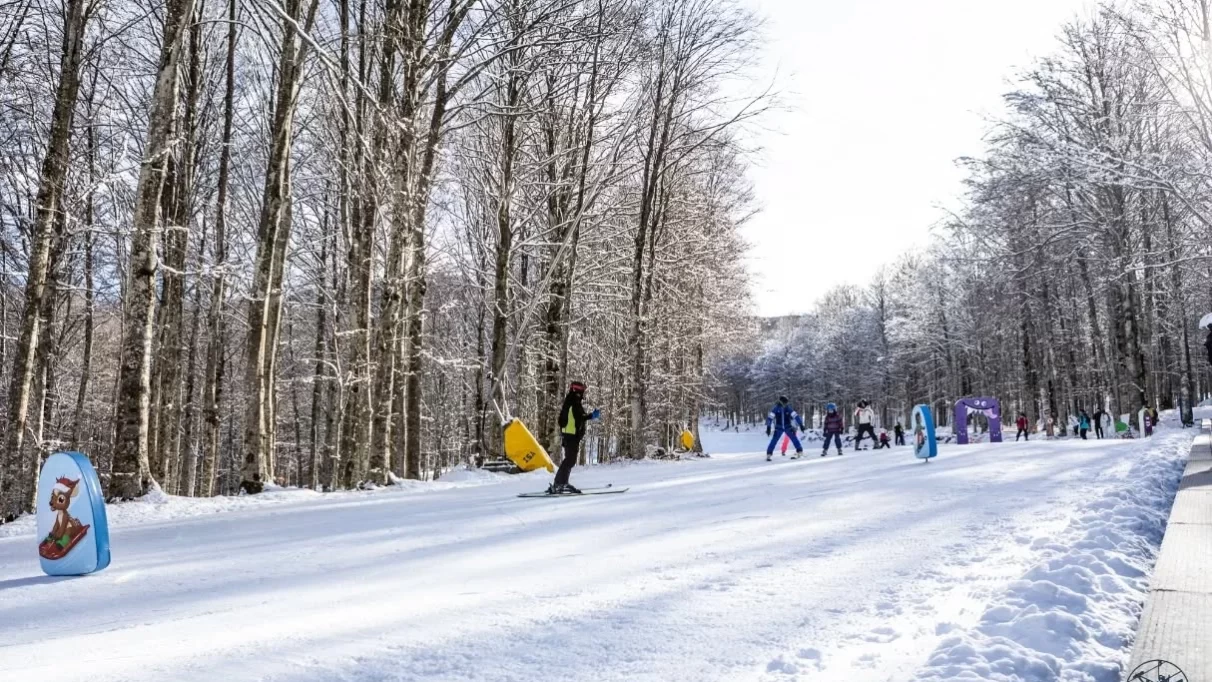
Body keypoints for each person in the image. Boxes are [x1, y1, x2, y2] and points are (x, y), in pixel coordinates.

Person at [548, 381, 599, 494]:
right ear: (578, 391)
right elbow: (580, 417)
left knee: (569, 459)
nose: (583, 394)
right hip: (571, 435)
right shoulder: (574, 401)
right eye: (582, 391)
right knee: (570, 460)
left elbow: (564, 419)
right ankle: (560, 483)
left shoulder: (569, 400)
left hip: (568, 435)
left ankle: (560, 483)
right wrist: (592, 415)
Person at [766, 396, 805, 461]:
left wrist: (801, 424)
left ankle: (799, 451)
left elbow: (795, 416)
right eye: (785, 403)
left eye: (786, 403)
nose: (786, 404)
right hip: (779, 427)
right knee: (774, 440)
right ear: (781, 402)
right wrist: (768, 427)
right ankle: (769, 453)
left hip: (788, 427)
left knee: (794, 438)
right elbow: (770, 418)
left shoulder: (788, 408)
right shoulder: (776, 408)